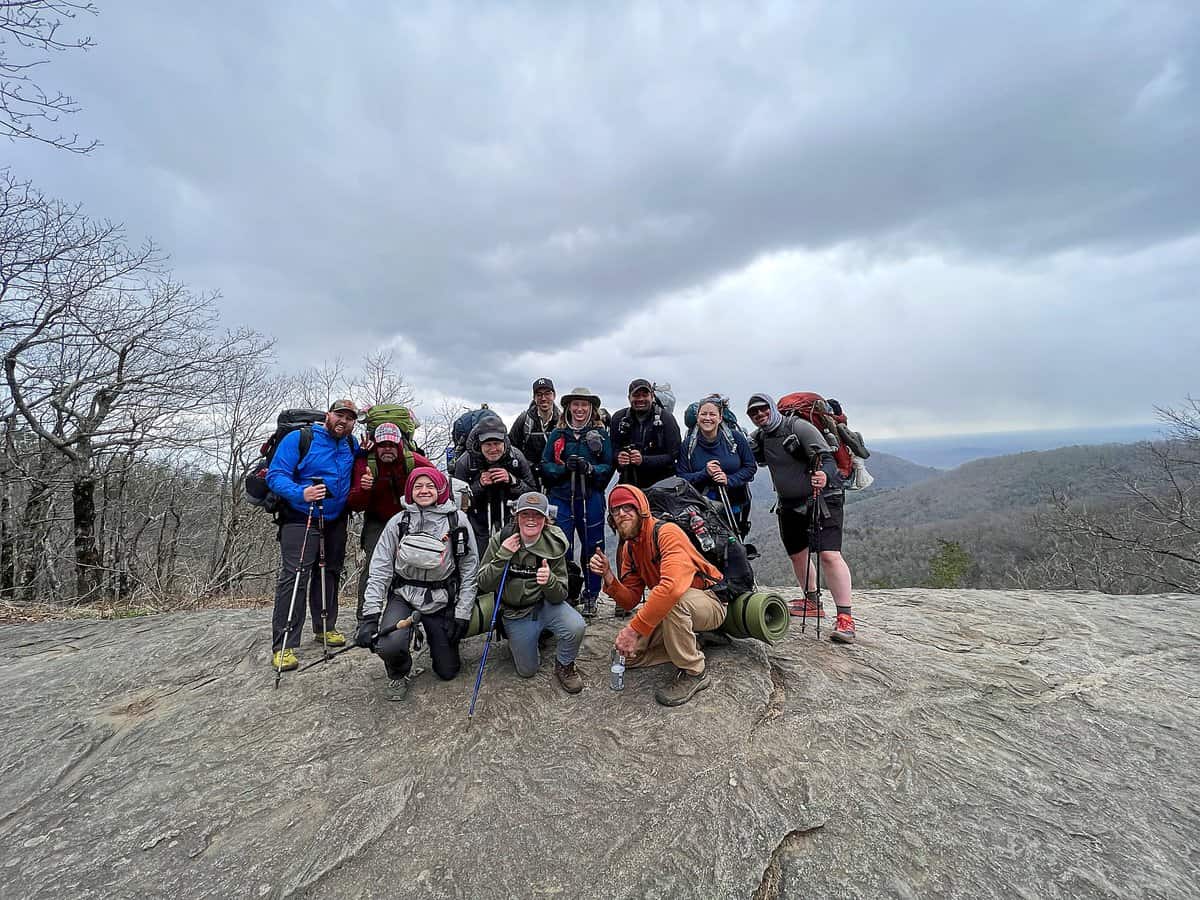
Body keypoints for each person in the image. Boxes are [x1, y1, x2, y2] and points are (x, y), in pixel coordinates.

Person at [588, 484, 726, 706]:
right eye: (615, 510)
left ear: (641, 508)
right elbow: (631, 599)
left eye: (627, 507)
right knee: (626, 657)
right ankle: (692, 641)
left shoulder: (667, 533)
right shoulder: (630, 548)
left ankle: (694, 671)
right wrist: (609, 577)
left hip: (710, 601)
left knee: (673, 601)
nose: (621, 514)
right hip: (674, 609)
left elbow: (671, 588)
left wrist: (633, 630)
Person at [356, 467, 479, 700]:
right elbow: (380, 568)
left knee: (447, 672)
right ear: (410, 490)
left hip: (441, 598)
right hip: (403, 595)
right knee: (387, 646)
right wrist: (370, 616)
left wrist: (462, 613)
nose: (424, 491)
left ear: (441, 489)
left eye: (430, 486)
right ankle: (398, 671)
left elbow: (469, 568)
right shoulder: (399, 521)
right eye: (418, 486)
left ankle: (432, 638)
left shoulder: (457, 521)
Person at [746, 393, 856, 643]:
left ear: (773, 408)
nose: (760, 415)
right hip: (789, 504)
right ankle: (812, 601)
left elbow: (827, 458)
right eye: (754, 413)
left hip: (824, 497)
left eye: (763, 409)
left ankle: (845, 618)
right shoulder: (762, 436)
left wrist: (824, 476)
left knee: (829, 554)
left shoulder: (799, 427)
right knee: (798, 554)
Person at [267, 399, 360, 670]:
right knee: (296, 576)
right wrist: (301, 493)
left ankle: (324, 626)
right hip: (300, 515)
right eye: (339, 415)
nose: (344, 421)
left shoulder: (351, 445)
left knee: (330, 571)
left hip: (334, 518)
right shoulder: (301, 438)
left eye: (350, 418)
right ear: (328, 415)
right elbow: (276, 475)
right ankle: (284, 644)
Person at [476, 491, 585, 693]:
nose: (531, 520)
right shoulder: (501, 540)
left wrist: (549, 581)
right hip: (515, 612)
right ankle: (525, 638)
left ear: (546, 519)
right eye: (525, 514)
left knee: (576, 626)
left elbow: (560, 595)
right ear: (517, 517)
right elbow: (483, 583)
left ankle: (565, 665)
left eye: (537, 515)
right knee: (528, 671)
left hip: (545, 605)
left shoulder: (554, 545)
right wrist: (502, 556)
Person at [346, 422, 433, 620]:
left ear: (400, 444)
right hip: (377, 520)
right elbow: (355, 504)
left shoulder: (414, 461)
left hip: (410, 518)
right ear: (375, 445)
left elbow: (438, 484)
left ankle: (410, 616)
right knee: (373, 567)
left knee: (413, 565)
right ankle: (366, 617)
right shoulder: (366, 465)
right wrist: (364, 488)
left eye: (391, 445)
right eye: (382, 444)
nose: (387, 449)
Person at [540, 387, 613, 617]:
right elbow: (545, 465)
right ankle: (567, 593)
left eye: (584, 405)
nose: (580, 409)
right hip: (561, 498)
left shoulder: (600, 435)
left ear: (592, 408)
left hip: (590, 498)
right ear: (568, 407)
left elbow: (609, 466)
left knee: (593, 547)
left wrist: (590, 469)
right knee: (562, 547)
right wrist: (563, 468)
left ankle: (591, 595)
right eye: (575, 404)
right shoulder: (558, 434)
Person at [454, 418, 537, 550]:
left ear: (504, 442)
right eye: (488, 444)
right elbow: (456, 502)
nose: (493, 449)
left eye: (497, 443)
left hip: (510, 518)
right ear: (479, 444)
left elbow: (533, 494)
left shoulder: (516, 457)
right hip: (477, 521)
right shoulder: (465, 463)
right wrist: (479, 485)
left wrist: (513, 481)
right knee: (481, 560)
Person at [676, 395, 757, 525]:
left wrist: (728, 480)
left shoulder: (735, 438)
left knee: (733, 540)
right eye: (704, 414)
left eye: (712, 414)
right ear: (698, 418)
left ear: (720, 418)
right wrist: (704, 473)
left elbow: (750, 467)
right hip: (700, 506)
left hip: (734, 503)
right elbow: (681, 476)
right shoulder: (688, 444)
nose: (708, 418)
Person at [610, 378, 681, 489]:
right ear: (629, 398)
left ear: (652, 396)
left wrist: (643, 460)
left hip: (661, 486)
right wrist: (618, 457)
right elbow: (612, 450)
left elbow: (673, 455)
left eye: (644, 395)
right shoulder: (618, 418)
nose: (640, 399)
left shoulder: (666, 419)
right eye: (636, 396)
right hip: (629, 485)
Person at [509, 378, 558, 491]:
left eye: (547, 394)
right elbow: (511, 448)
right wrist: (528, 465)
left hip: (554, 476)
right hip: (529, 475)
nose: (543, 398)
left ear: (554, 395)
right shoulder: (524, 420)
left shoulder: (562, 421)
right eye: (539, 394)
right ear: (534, 398)